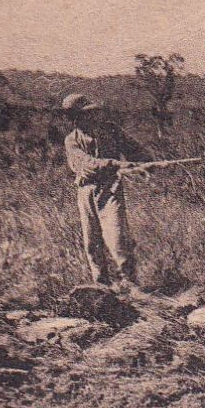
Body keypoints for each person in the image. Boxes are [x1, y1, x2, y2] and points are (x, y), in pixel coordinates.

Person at [61, 92, 149, 287]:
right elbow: (86, 165)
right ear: (74, 118)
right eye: (81, 115)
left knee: (117, 238)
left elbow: (135, 150)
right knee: (92, 243)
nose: (87, 118)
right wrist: (116, 164)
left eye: (89, 113)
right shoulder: (72, 140)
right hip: (86, 191)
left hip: (110, 189)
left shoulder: (111, 131)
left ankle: (130, 285)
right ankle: (102, 287)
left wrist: (148, 163)